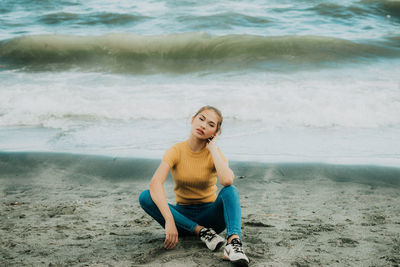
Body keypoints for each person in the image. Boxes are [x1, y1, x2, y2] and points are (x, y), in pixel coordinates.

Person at [139, 105, 249, 266]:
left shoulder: (215, 154)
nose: (204, 125)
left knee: (230, 191)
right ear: (193, 120)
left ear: (216, 132)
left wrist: (212, 149)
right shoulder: (176, 150)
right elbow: (155, 183)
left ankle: (233, 244)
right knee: (146, 196)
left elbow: (227, 181)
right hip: (181, 220)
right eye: (201, 119)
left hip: (211, 218)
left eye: (211, 125)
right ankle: (201, 232)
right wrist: (169, 219)